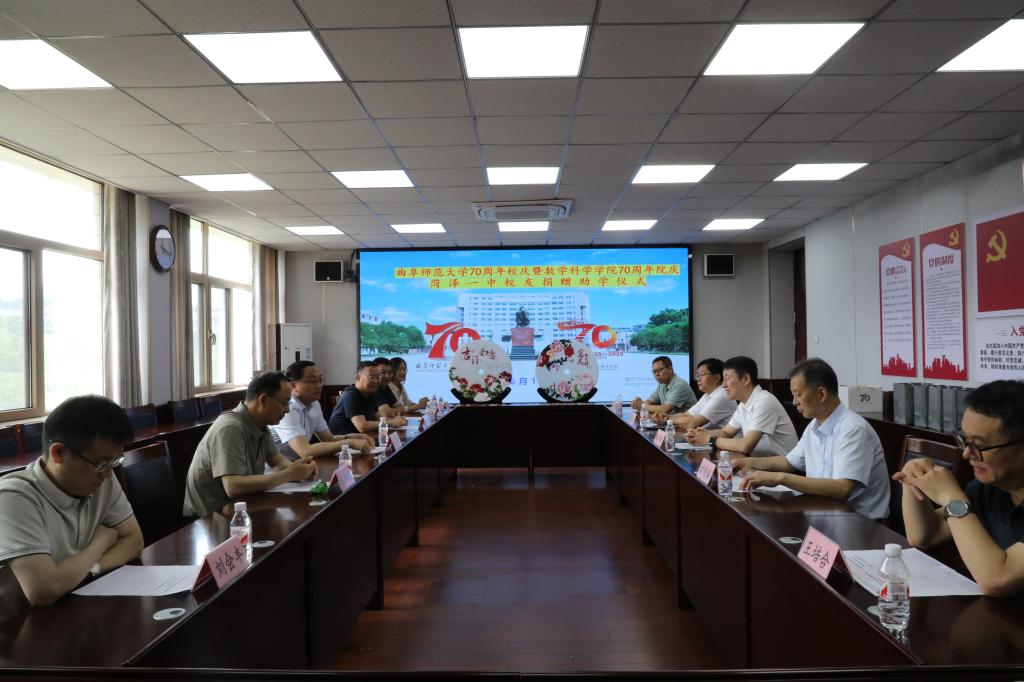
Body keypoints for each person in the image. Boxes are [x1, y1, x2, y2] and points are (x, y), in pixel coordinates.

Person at [0, 396, 144, 611]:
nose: (107, 473)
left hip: (70, 607)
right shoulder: (13, 498)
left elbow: (134, 540)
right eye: (101, 463)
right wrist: (100, 542)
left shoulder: (101, 476)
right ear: (59, 453)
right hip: (19, 625)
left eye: (114, 461)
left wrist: (90, 569)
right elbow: (44, 590)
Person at [895, 380, 1024, 597]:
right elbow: (925, 535)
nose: (967, 454)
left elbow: (997, 579)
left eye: (980, 446)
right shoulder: (988, 489)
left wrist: (951, 497)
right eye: (964, 440)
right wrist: (913, 478)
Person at [733, 358, 890, 519]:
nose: (795, 402)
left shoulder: (853, 428)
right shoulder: (814, 426)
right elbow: (789, 462)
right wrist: (748, 462)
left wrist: (779, 478)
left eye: (798, 394)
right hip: (825, 513)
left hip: (860, 522)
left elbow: (842, 489)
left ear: (821, 394)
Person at [183, 372, 318, 518]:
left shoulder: (261, 424)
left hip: (240, 508)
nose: (287, 409)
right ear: (263, 400)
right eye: (284, 402)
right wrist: (289, 474)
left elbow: (277, 462)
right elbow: (233, 487)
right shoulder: (229, 428)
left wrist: (301, 470)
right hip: (208, 518)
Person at [685, 355, 797, 456]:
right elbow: (726, 432)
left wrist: (709, 439)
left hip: (781, 468)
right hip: (760, 462)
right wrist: (700, 434)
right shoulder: (743, 404)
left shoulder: (764, 401)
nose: (723, 385)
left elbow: (745, 445)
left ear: (746, 379)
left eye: (727, 378)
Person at [269, 360, 373, 460]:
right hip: (280, 468)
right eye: (313, 381)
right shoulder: (287, 409)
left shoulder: (314, 404)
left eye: (320, 380)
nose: (319, 385)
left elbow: (328, 439)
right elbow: (305, 451)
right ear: (293, 386)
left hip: (300, 463)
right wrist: (350, 443)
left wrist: (354, 437)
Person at [654, 357, 735, 430]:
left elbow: (693, 423)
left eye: (702, 375)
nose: (698, 379)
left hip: (726, 441)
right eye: (697, 375)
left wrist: (667, 420)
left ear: (716, 378)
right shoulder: (707, 395)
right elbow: (687, 415)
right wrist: (667, 416)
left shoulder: (722, 395)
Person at [329, 361, 407, 435]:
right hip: (343, 440)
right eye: (371, 377)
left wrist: (397, 420)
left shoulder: (371, 393)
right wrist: (392, 423)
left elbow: (378, 417)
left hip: (362, 438)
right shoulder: (351, 395)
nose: (376, 381)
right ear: (358, 377)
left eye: (378, 377)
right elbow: (362, 426)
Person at [631, 356, 696, 415]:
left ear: (670, 369)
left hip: (688, 423)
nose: (656, 374)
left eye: (659, 370)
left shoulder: (680, 385)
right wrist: (638, 403)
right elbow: (650, 401)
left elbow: (665, 409)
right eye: (654, 371)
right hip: (673, 421)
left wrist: (642, 405)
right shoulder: (662, 384)